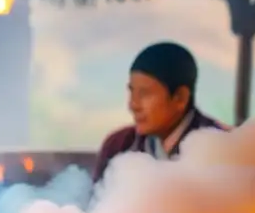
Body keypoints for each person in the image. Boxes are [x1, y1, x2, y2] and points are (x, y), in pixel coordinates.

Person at [93, 42, 227, 182]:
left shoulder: (222, 149)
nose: (133, 105)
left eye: (144, 94)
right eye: (132, 92)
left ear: (180, 98)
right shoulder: (118, 145)